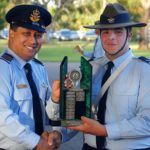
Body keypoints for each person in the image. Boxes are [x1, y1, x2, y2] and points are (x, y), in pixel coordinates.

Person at [46, 2, 150, 150]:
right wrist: (60, 134)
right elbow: (79, 116)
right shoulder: (90, 68)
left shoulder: (144, 70)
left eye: (118, 31)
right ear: (99, 34)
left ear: (130, 35)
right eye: (105, 32)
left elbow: (147, 122)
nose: (111, 37)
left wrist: (104, 131)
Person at [0, 4, 62, 150]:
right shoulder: (2, 68)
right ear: (11, 34)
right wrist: (37, 142)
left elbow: (45, 114)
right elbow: (2, 117)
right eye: (26, 34)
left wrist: (54, 99)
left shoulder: (38, 68)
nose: (33, 41)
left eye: (38, 35)